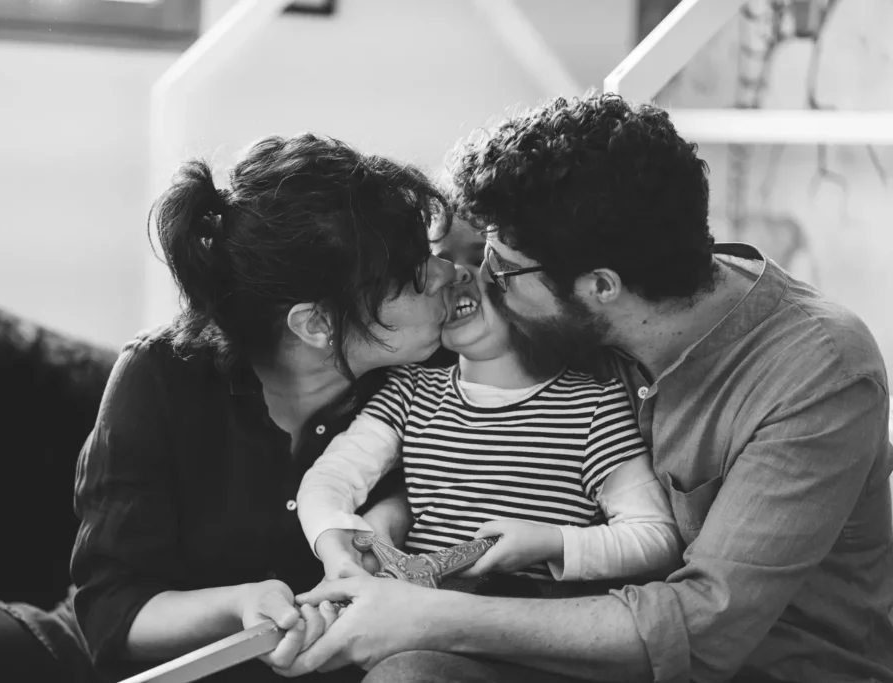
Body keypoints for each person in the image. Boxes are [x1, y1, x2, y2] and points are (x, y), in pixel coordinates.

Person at [280, 95, 893, 683]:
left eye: (502, 265)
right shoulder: (576, 310)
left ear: (602, 286)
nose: (480, 280)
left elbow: (704, 630)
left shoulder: (819, 371)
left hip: (773, 667)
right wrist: (395, 516)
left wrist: (430, 618)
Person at [0, 132, 458, 683]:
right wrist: (239, 604)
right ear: (316, 324)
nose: (448, 274)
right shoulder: (161, 375)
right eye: (411, 277)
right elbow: (111, 615)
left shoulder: (441, 373)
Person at [297, 219, 682, 593]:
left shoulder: (595, 405)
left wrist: (553, 543)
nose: (455, 274)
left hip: (525, 627)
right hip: (415, 616)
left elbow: (656, 537)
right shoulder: (410, 393)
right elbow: (330, 480)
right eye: (440, 257)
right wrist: (336, 547)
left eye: (486, 258)